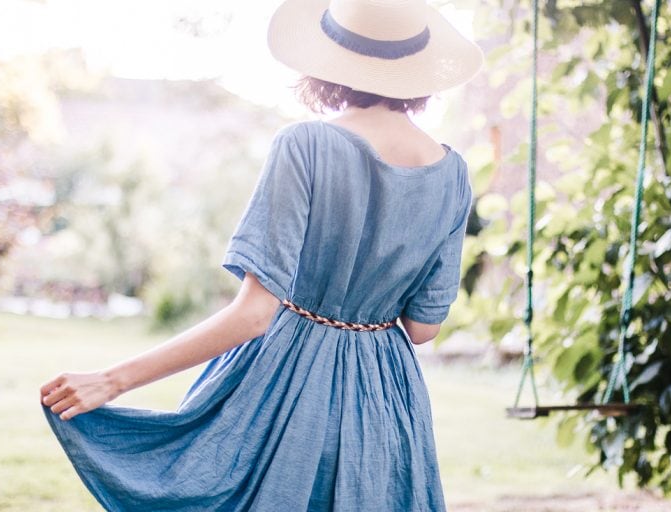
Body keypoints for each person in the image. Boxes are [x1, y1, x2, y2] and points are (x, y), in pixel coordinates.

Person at [39, 0, 483, 509]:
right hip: (384, 400)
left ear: (332, 60)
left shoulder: (306, 144)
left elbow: (253, 315)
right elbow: (423, 328)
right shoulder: (453, 174)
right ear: (418, 70)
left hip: (286, 387)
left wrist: (113, 380)